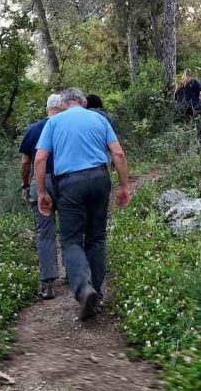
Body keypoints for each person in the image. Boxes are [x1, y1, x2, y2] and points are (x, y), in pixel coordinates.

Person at [34, 88, 132, 321]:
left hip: (70, 184)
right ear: (83, 102)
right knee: (97, 239)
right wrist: (124, 186)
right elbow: (117, 153)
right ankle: (96, 294)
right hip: (99, 179)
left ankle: (83, 288)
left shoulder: (54, 122)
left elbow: (39, 158)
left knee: (71, 240)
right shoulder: (99, 119)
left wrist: (41, 192)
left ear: (64, 103)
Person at [19, 94, 63, 300]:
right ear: (61, 107)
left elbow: (26, 162)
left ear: (46, 108)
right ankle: (75, 275)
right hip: (65, 180)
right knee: (71, 228)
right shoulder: (66, 126)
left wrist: (26, 184)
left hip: (40, 182)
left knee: (45, 233)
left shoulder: (34, 129)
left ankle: (47, 284)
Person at [173, 71, 201, 142]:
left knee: (185, 128)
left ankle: (187, 144)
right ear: (190, 76)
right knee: (200, 123)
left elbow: (176, 101)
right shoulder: (194, 82)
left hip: (181, 110)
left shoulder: (178, 88)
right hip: (193, 107)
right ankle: (199, 142)